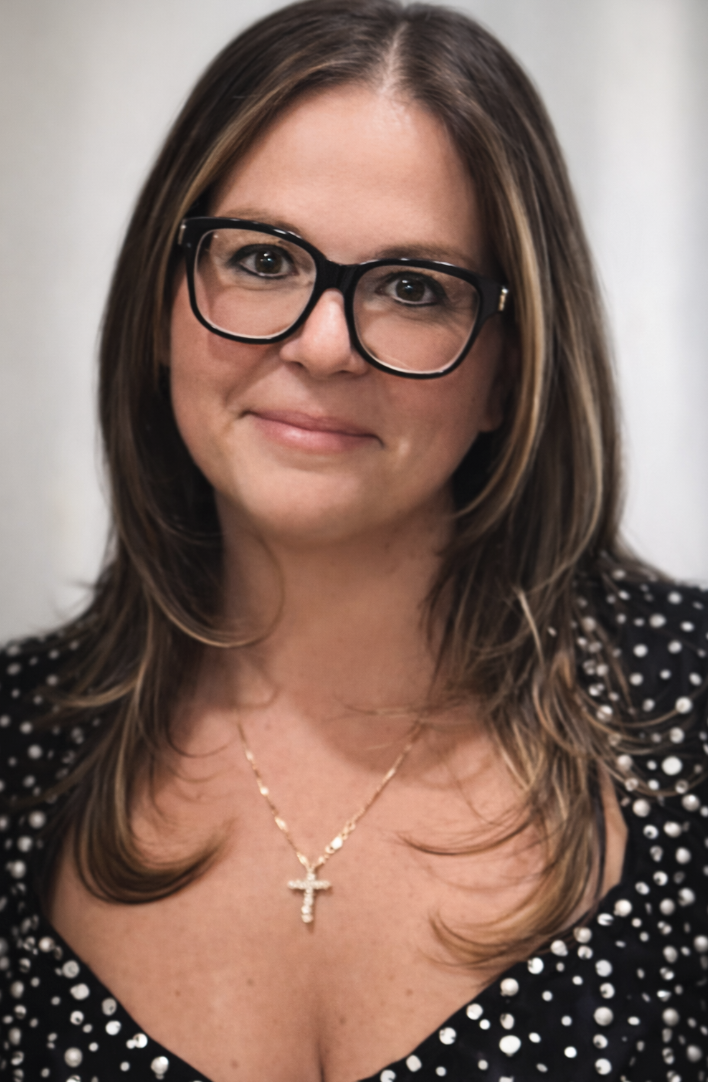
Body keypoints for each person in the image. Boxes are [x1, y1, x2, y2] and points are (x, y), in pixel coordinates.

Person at [1, 1, 706, 1079]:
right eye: (262, 259)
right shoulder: (17, 740)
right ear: (161, 298)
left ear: (510, 369)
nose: (324, 343)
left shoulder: (689, 709)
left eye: (413, 287)